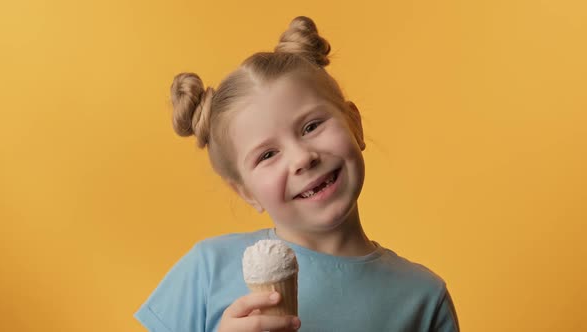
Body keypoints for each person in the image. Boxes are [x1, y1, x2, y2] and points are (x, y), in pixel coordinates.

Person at [135, 16, 460, 332]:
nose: (302, 158)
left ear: (354, 124)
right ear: (245, 192)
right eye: (267, 155)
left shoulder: (423, 298)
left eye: (312, 126)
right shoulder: (208, 269)